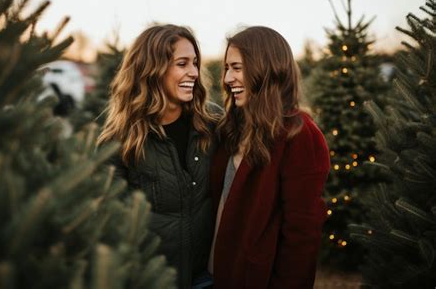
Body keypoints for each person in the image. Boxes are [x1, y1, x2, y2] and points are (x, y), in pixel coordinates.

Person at [97, 24, 220, 289]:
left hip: (207, 278)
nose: (194, 73)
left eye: (195, 63)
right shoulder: (120, 142)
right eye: (182, 63)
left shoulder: (212, 124)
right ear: (152, 69)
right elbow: (108, 225)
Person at [208, 26, 330, 288]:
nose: (228, 78)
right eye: (226, 68)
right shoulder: (234, 126)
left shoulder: (299, 135)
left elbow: (302, 234)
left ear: (266, 67)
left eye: (237, 68)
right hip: (214, 274)